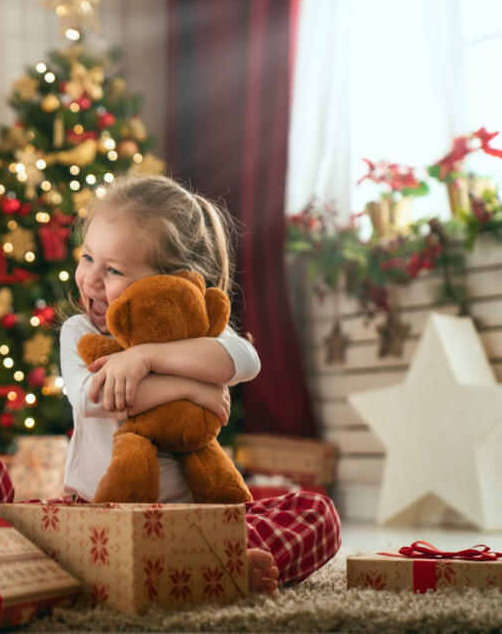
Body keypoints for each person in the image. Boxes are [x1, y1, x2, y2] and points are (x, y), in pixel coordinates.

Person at [59, 174, 340, 593]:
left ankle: (198, 567)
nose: (91, 279)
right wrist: (190, 388)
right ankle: (207, 570)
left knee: (317, 512)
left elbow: (246, 360)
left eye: (114, 269)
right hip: (102, 515)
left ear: (174, 280)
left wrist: (146, 357)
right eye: (87, 258)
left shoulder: (201, 331)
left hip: (192, 521)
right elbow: (93, 399)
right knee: (29, 523)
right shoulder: (79, 331)